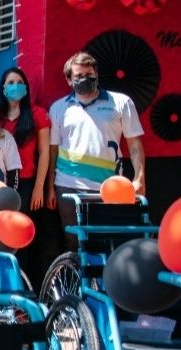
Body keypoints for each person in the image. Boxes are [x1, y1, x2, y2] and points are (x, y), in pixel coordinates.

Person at [49, 51, 147, 249]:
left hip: (110, 185)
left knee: (109, 241)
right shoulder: (58, 108)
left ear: (97, 75)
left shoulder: (121, 102)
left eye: (89, 74)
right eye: (78, 76)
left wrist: (139, 178)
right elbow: (53, 150)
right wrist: (50, 187)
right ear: (69, 80)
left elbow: (134, 144)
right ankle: (76, 271)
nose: (84, 79)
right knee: (73, 241)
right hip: (67, 185)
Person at [0, 67, 61, 287]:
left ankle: (30, 288)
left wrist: (39, 187)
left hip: (28, 184)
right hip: (2, 186)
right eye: (10, 82)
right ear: (3, 88)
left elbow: (44, 153)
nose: (15, 86)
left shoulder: (37, 114)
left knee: (27, 238)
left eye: (19, 82)